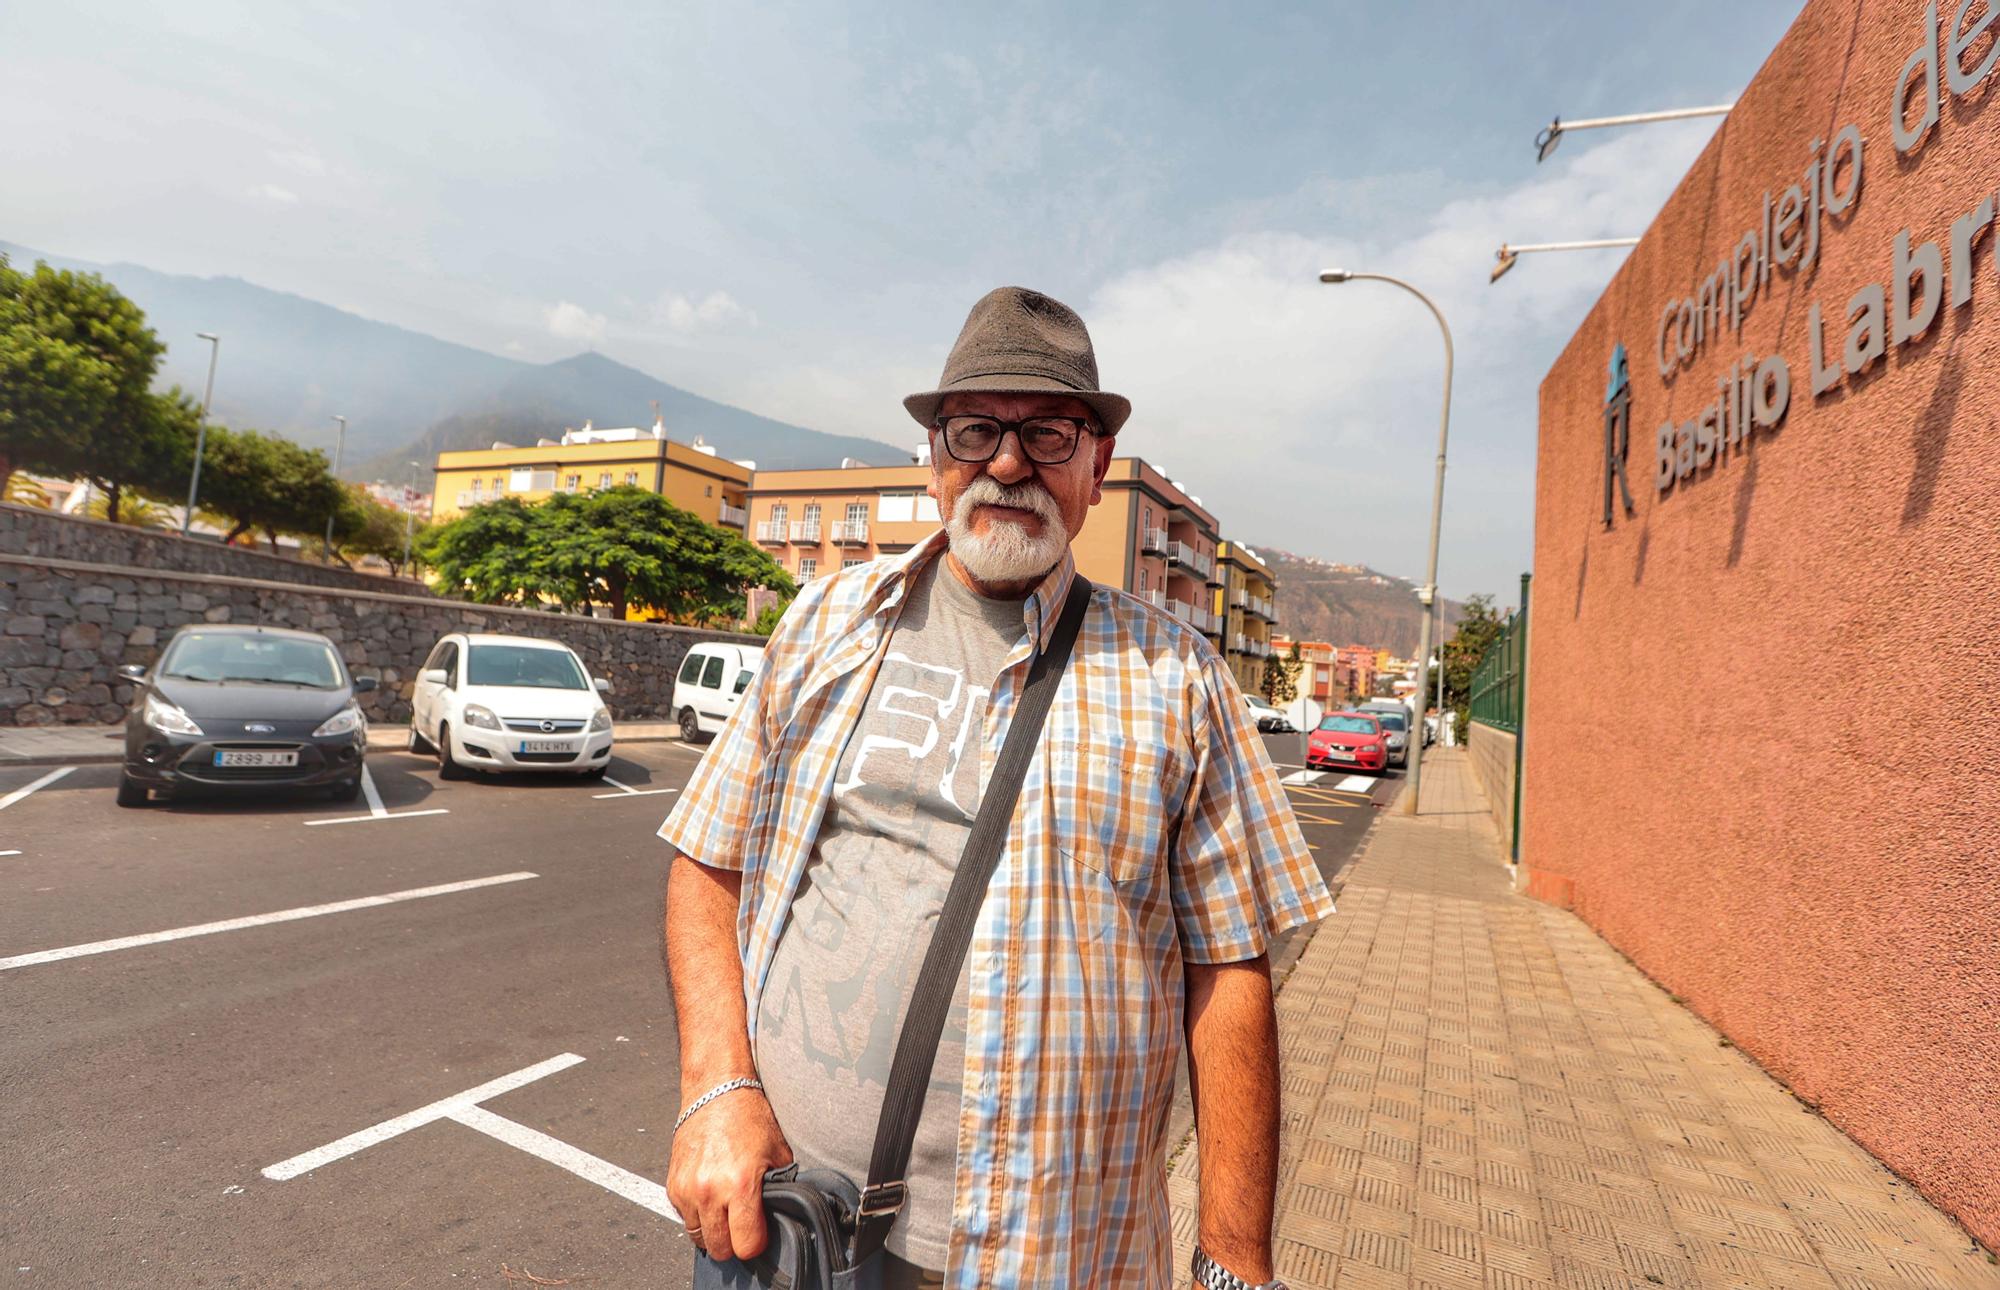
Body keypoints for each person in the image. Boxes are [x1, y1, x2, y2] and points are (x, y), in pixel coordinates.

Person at [661, 286, 1333, 1289]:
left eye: (1048, 434)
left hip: (1054, 1252)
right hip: (789, 1216)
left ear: (1094, 470)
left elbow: (1228, 971)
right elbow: (707, 861)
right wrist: (714, 1087)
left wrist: (1233, 1261)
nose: (1008, 464)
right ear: (936, 456)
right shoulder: (825, 621)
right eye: (977, 430)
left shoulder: (1178, 677)